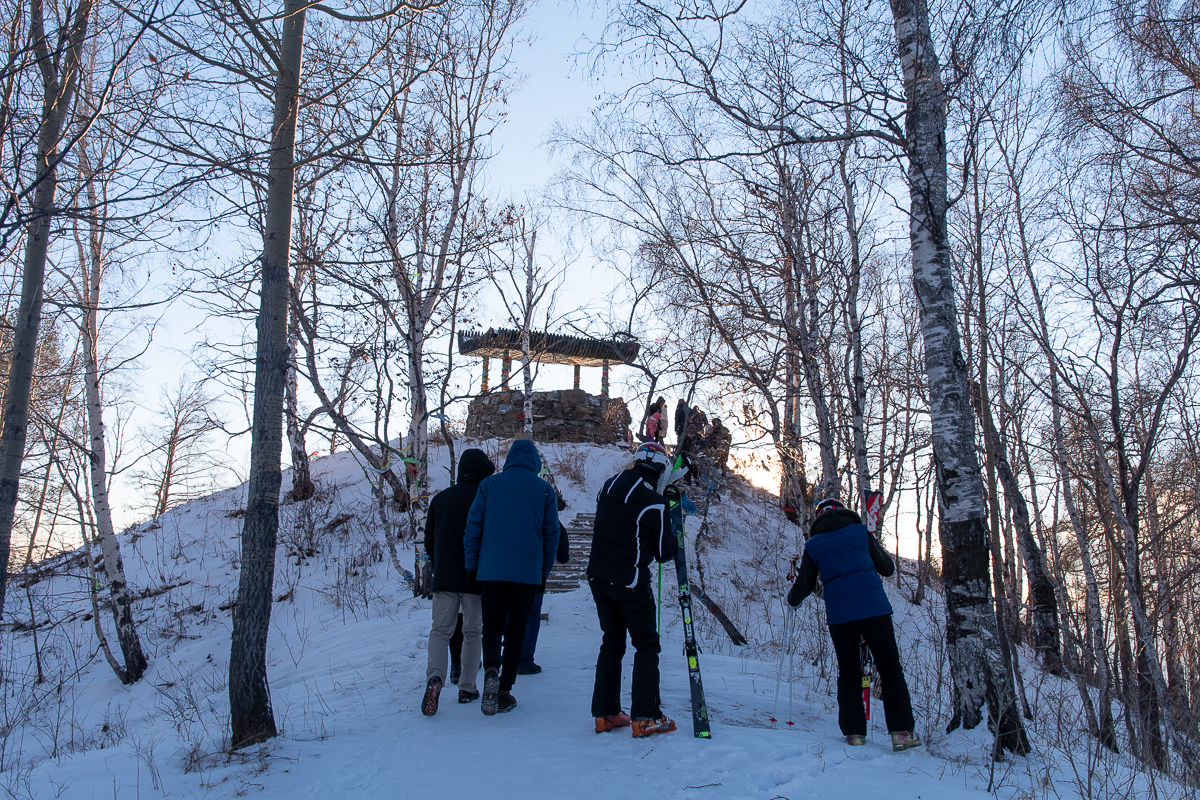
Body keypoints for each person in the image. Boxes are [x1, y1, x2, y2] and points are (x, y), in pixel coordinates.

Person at [786, 497, 922, 751]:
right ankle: (901, 734)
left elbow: (804, 584)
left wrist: (792, 601)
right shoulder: (861, 532)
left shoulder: (813, 545)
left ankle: (854, 734)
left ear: (819, 517)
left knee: (848, 673)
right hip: (875, 610)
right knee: (890, 668)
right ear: (844, 512)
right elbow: (888, 568)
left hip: (840, 616)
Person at [586, 442, 679, 738]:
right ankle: (644, 716)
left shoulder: (608, 486)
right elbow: (665, 552)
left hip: (599, 577)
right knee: (646, 644)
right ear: (661, 470)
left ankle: (605, 713)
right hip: (630, 580)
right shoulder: (655, 503)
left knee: (612, 642)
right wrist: (672, 515)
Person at [464, 439, 561, 715]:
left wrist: (472, 567)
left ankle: (491, 667)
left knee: (492, 627)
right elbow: (550, 535)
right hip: (526, 574)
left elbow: (473, 528)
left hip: (491, 571)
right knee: (518, 630)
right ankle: (504, 690)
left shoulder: (489, 485)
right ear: (535, 462)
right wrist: (543, 573)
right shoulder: (544, 491)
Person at [421, 449, 496, 715]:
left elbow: (429, 539)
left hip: (444, 577)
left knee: (440, 631)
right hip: (475, 577)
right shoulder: (487, 498)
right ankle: (467, 687)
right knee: (473, 633)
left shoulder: (440, 500)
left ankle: (435, 678)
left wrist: (439, 563)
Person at [517, 482, 571, 675]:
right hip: (533, 568)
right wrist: (558, 558)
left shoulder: (504, 496)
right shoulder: (542, 496)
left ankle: (507, 653)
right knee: (531, 615)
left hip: (505, 566)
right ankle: (524, 659)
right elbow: (556, 530)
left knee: (507, 612)